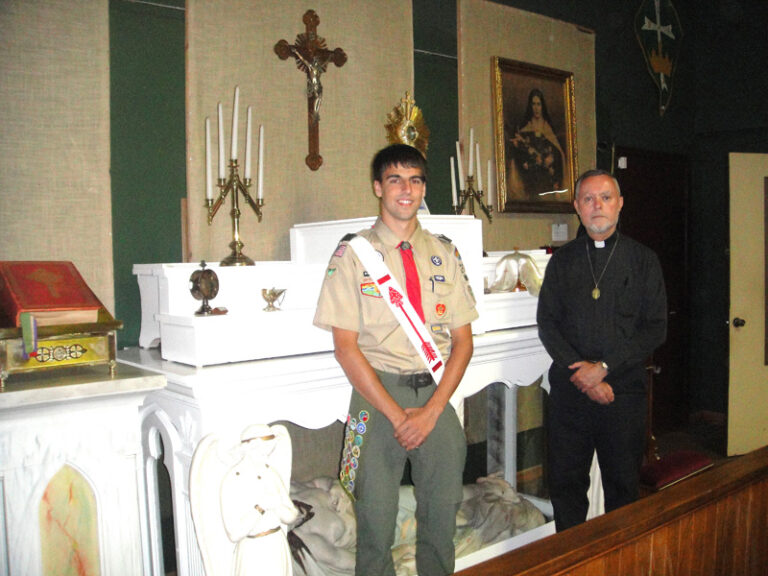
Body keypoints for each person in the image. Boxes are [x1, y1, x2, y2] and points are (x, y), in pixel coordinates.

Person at [313, 144, 478, 575]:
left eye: (416, 179)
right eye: (395, 179)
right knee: (374, 525)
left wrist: (431, 411)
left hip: (435, 396)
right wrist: (397, 414)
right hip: (374, 397)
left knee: (442, 522)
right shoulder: (352, 255)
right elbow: (345, 348)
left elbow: (463, 341)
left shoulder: (444, 252)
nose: (407, 189)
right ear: (377, 188)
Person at [536, 168, 667, 531]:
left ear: (620, 204)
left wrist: (605, 367)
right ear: (577, 206)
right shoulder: (562, 261)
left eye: (606, 197)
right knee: (565, 487)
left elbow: (655, 328)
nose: (598, 206)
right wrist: (585, 375)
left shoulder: (644, 261)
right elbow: (548, 323)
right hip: (570, 393)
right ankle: (570, 562)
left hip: (622, 395)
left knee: (623, 489)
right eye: (589, 199)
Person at [506, 88, 566, 201]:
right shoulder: (525, 129)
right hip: (531, 178)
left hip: (548, 178)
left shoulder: (548, 128)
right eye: (533, 104)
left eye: (539, 104)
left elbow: (559, 153)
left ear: (542, 106)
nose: (536, 108)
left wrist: (551, 158)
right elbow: (519, 154)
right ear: (530, 106)